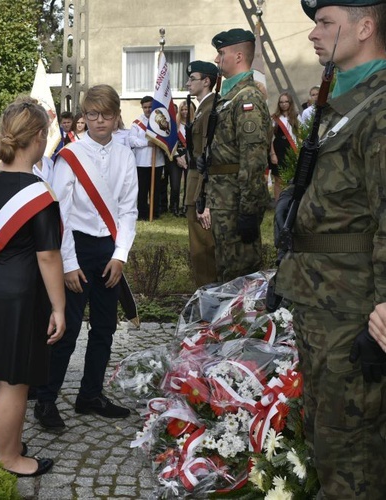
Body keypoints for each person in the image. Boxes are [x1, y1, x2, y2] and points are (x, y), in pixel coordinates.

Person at [276, 1, 386, 496]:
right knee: (326, 432)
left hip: (357, 305)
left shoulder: (380, 106)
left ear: (365, 27)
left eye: (325, 23)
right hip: (322, 298)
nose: (312, 34)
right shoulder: (342, 98)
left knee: (353, 446)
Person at [0, 96, 65, 476]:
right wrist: (59, 307)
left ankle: (9, 443)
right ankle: (10, 458)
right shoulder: (38, 193)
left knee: (7, 377)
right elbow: (48, 256)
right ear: (38, 137)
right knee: (15, 381)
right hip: (20, 292)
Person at [34, 84, 138, 431]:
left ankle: (90, 394)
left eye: (106, 114)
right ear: (83, 117)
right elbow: (59, 214)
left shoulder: (125, 155)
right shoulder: (70, 156)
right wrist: (69, 263)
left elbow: (128, 210)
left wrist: (120, 255)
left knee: (105, 328)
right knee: (68, 329)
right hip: (75, 245)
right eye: (92, 115)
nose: (99, 121)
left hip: (109, 247)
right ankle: (46, 401)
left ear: (116, 115)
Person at [205, 28, 270, 282]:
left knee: (240, 276)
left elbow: (253, 159)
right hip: (224, 198)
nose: (216, 59)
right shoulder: (229, 98)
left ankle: (240, 323)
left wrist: (248, 210)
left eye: (221, 53)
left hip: (236, 202)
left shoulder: (248, 98)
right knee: (227, 269)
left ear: (239, 56)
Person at [183, 61, 220, 288]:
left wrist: (205, 200)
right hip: (195, 184)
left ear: (206, 81)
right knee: (199, 249)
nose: (188, 83)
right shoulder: (202, 110)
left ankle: (210, 303)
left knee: (204, 251)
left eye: (192, 78)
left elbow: (209, 158)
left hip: (201, 189)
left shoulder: (209, 111)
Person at [129, 95, 166, 220]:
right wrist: (146, 143)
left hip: (157, 161)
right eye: (145, 107)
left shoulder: (159, 121)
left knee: (155, 189)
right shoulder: (136, 123)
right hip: (142, 162)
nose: (148, 109)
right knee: (142, 190)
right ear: (142, 108)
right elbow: (131, 141)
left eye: (150, 106)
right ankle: (143, 213)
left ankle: (155, 212)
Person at [269, 92, 300, 201]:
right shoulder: (274, 118)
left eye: (286, 101)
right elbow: (270, 138)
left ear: (290, 103)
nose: (284, 104)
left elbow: (300, 135)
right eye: (281, 102)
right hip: (278, 151)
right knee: (279, 179)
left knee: (293, 178)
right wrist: (272, 154)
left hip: (292, 150)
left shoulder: (296, 116)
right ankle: (278, 204)